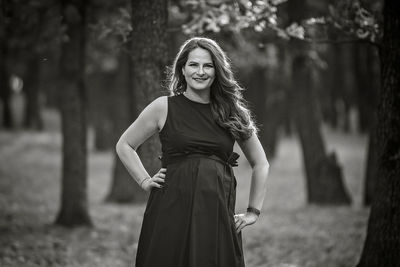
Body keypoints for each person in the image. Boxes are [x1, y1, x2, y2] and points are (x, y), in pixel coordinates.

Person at [116, 37, 269, 267]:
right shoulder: (163, 107)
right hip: (170, 208)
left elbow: (261, 163)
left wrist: (253, 212)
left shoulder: (232, 112)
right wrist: (144, 180)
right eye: (193, 65)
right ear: (182, 69)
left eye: (208, 66)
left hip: (215, 210)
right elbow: (125, 145)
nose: (200, 71)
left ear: (217, 71)